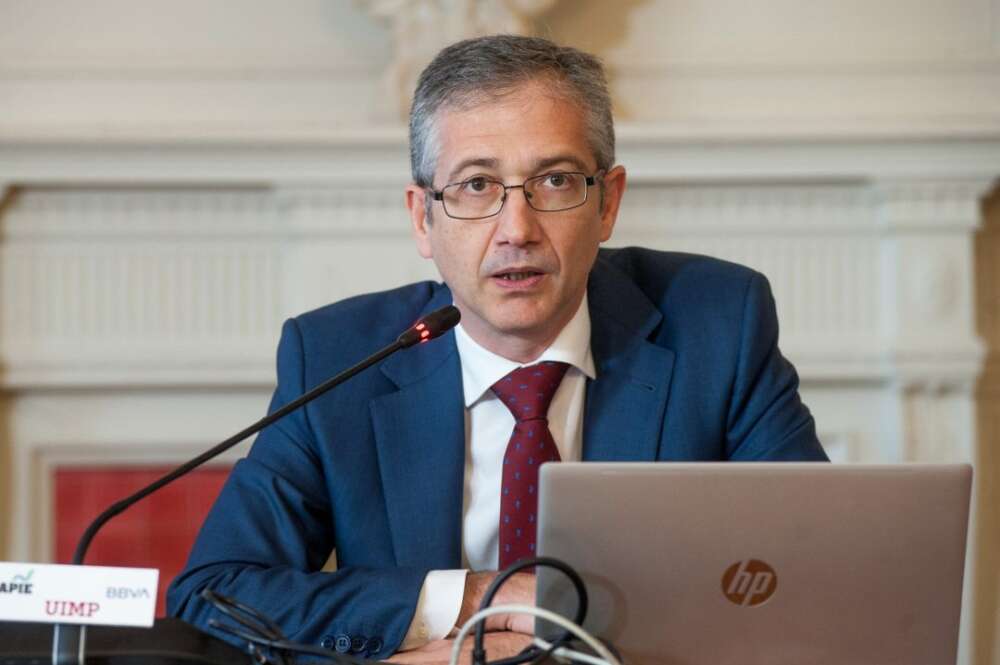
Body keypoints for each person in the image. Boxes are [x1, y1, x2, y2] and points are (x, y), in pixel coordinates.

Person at [167, 35, 827, 662]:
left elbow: (815, 568)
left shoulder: (718, 325)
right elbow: (211, 596)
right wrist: (480, 598)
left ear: (608, 203)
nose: (517, 229)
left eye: (557, 181)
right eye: (477, 185)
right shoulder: (339, 359)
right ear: (422, 217)